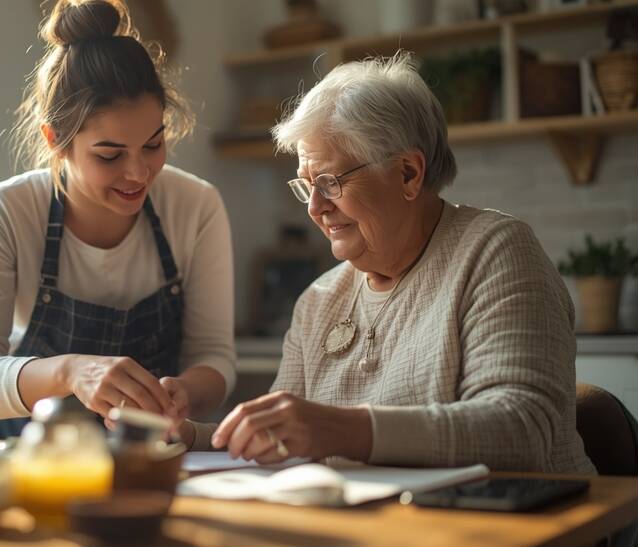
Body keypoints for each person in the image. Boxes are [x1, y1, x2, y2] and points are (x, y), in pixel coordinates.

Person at [183, 52, 595, 475]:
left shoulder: (495, 253)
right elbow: (276, 440)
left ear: (408, 174)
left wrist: (341, 429)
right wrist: (187, 437)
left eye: (329, 182)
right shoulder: (319, 300)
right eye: (307, 187)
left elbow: (520, 430)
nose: (316, 208)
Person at [0, 0, 235, 439]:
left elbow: (214, 357)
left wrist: (184, 394)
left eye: (153, 145)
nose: (138, 174)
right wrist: (70, 373)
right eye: (110, 155)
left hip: (147, 457)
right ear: (55, 139)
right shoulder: (6, 212)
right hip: (29, 458)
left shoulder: (195, 206)